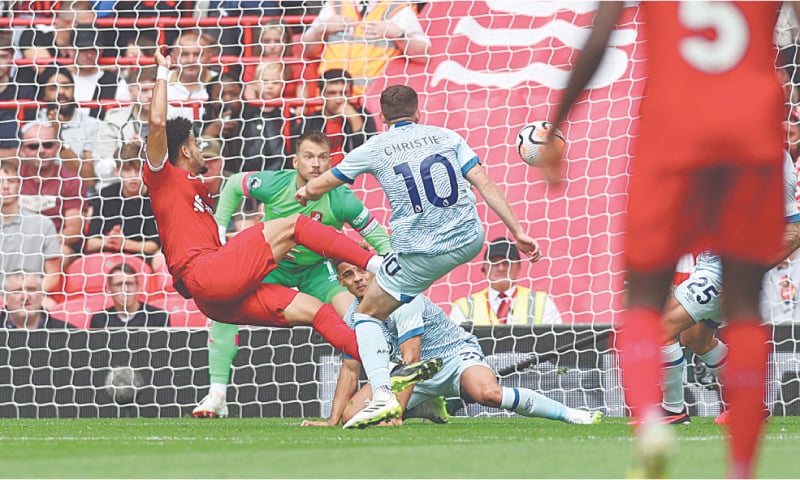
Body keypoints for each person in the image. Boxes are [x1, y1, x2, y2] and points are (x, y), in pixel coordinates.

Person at [540, 3, 797, 477]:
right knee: (741, 312)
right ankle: (741, 467)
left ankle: (654, 422)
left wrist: (556, 126)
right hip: (751, 127)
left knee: (643, 303)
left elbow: (598, 38)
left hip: (672, 128)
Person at [145, 47, 434, 404]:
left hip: (221, 295)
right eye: (195, 143)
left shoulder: (200, 189)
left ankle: (386, 367)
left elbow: (371, 229)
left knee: (319, 312)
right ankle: (216, 390)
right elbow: (158, 125)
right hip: (210, 275)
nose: (201, 148)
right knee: (294, 224)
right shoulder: (164, 177)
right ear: (185, 152)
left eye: (321, 158)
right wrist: (162, 71)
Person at [296, 85, 541, 428]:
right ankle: (425, 393)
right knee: (394, 290)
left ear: (381, 118)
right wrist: (517, 232)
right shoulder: (447, 136)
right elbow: (484, 184)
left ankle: (384, 395)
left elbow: (328, 181)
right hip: (469, 240)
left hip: (420, 253)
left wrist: (306, 191)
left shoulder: (375, 146)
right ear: (418, 113)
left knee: (366, 314)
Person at [193, 130, 392, 418]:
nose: (316, 164)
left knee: (355, 318)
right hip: (270, 266)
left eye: (323, 158)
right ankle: (217, 394)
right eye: (309, 157)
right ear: (295, 161)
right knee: (223, 309)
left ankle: (387, 387)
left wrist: (393, 266)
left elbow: (377, 237)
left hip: (316, 270)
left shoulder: (342, 198)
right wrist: (218, 233)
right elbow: (235, 184)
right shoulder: (275, 184)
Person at [302, 259, 600, 427]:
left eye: (360, 270)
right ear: (341, 282)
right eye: (348, 275)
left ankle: (571, 414)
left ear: (373, 269)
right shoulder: (355, 315)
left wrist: (394, 415)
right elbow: (351, 367)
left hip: (453, 356)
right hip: (415, 377)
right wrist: (332, 420)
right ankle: (427, 405)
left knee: (489, 393)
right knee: (351, 417)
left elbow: (412, 358)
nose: (357, 278)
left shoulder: (402, 296)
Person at [656, 149, 800, 426]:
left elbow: (793, 233)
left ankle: (672, 412)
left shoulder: (772, 159)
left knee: (662, 327)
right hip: (709, 261)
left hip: (728, 268)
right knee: (696, 340)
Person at [301, 0, 430, 96]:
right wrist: (321, 30)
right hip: (331, 98)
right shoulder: (335, 5)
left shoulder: (399, 8)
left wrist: (398, 35)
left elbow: (424, 55)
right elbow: (307, 51)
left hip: (375, 100)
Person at [450, 238, 563, 326]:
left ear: (519, 266)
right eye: (494, 262)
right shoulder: (464, 307)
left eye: (507, 262)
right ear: (484, 268)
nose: (501, 268)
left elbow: (556, 342)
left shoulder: (541, 302)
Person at [83, 142, 161, 265]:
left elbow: (154, 246)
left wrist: (124, 243)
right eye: (127, 171)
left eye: (138, 171)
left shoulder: (156, 199)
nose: (133, 177)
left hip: (144, 259)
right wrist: (110, 241)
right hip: (109, 258)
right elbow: (90, 243)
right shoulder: (105, 196)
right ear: (117, 171)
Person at [18, 121, 86, 257]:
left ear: (57, 147)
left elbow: (74, 230)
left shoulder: (71, 180)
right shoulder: (12, 178)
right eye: (33, 146)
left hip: (54, 244)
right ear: (22, 151)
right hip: (15, 243)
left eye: (47, 145)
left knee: (63, 252)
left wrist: (40, 244)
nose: (41, 151)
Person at [288, 69, 376, 163]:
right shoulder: (309, 123)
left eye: (344, 93)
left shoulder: (362, 115)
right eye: (332, 93)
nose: (339, 100)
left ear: (351, 94)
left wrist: (354, 119)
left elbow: (371, 155)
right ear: (322, 95)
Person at [0, 159, 61, 293]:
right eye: (0, 181)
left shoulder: (42, 224)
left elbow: (53, 274)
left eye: (11, 181)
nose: (5, 187)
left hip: (32, 299)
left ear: (20, 185)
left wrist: (33, 296)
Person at [95, 65, 159, 188]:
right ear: (131, 91)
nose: (151, 95)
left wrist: (146, 151)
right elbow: (100, 170)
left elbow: (181, 166)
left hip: (160, 187)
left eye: (155, 90)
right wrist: (125, 156)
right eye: (144, 90)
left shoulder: (175, 117)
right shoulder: (114, 119)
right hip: (119, 189)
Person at [38, 67, 102, 188]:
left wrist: (60, 138)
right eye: (53, 88)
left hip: (81, 195)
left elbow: (89, 180)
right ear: (44, 95)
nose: (61, 92)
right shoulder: (33, 128)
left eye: (66, 86)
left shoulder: (93, 125)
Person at [90, 262, 170, 328]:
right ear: (109, 290)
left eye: (130, 284)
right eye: (119, 285)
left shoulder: (158, 317)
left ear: (138, 287)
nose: (126, 290)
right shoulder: (100, 319)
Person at [1, 272, 71, 329]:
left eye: (31, 290)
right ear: (5, 298)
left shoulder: (66, 331)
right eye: (17, 291)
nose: (25, 297)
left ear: (42, 295)